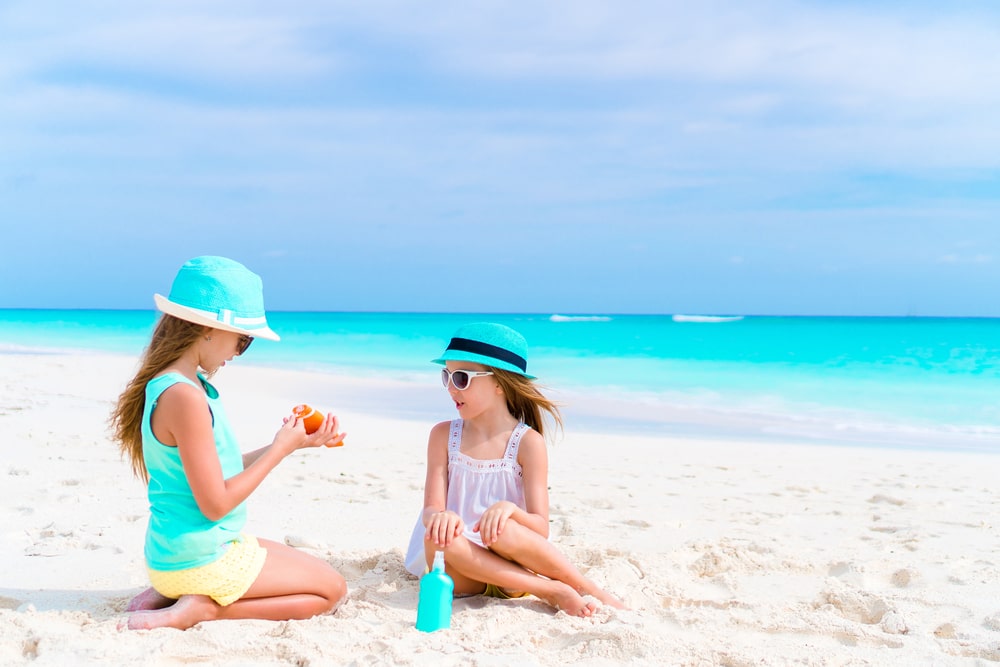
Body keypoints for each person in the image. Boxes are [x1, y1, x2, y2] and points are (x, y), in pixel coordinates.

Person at [110, 256, 348, 630]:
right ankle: (203, 609)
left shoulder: (175, 385)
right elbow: (216, 503)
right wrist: (279, 450)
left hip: (174, 552)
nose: (238, 352)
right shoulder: (185, 397)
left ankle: (172, 592)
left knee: (316, 571)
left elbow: (216, 469)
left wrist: (290, 444)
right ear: (209, 329)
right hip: (199, 558)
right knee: (331, 591)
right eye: (243, 340)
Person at [405, 322, 626, 617]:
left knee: (504, 529)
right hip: (459, 571)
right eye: (446, 375)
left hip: (511, 569)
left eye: (461, 378)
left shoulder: (527, 443)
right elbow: (432, 508)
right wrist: (441, 516)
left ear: (500, 383)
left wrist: (511, 510)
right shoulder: (443, 435)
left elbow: (540, 528)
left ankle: (585, 587)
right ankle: (550, 590)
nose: (450, 388)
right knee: (435, 536)